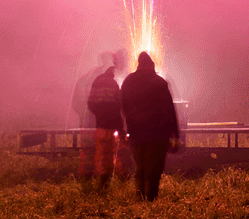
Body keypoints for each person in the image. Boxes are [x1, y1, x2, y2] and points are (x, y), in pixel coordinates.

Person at [121, 51, 181, 201]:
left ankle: (140, 194)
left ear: (139, 64)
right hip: (158, 133)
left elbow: (122, 105)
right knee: (155, 166)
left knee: (140, 165)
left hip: (136, 131)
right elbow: (169, 109)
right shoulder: (160, 82)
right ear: (152, 64)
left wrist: (127, 124)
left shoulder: (128, 81)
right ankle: (151, 197)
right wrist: (175, 134)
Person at [85, 54, 126, 193]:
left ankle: (101, 182)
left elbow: (90, 103)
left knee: (101, 153)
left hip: (100, 125)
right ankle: (112, 180)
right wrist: (121, 129)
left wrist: (99, 114)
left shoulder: (97, 81)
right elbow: (118, 108)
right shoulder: (114, 84)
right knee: (111, 153)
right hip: (111, 125)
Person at [72, 53, 110, 186]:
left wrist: (84, 114)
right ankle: (99, 180)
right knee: (100, 149)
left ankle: (86, 180)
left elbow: (75, 103)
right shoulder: (104, 80)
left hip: (87, 122)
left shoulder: (84, 79)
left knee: (88, 151)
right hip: (97, 122)